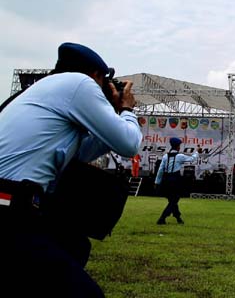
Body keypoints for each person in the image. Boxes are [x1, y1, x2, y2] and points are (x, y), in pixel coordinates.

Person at [0, 42, 142, 297]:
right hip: (9, 207)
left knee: (74, 246)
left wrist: (111, 114)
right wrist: (127, 110)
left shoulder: (45, 90)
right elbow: (129, 144)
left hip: (16, 204)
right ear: (97, 76)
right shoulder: (80, 84)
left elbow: (81, 152)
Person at [155, 138, 200, 225]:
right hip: (175, 179)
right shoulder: (180, 156)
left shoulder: (165, 156)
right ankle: (162, 218)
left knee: (172, 200)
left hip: (166, 180)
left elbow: (160, 170)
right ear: (178, 146)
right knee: (174, 200)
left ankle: (178, 218)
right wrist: (197, 152)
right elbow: (192, 159)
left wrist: (157, 182)